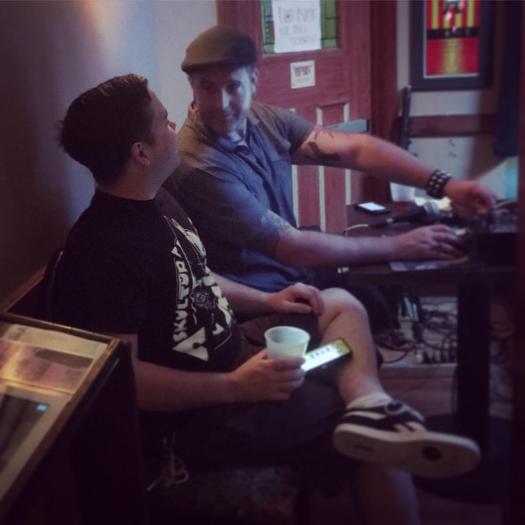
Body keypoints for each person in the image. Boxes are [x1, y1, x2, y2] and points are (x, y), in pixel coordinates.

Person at [53, 74, 480, 525]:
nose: (175, 125)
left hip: (239, 352)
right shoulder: (100, 252)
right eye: (164, 121)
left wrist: (270, 300)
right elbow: (125, 381)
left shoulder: (156, 202)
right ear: (141, 153)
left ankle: (370, 403)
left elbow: (196, 275)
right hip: (201, 418)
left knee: (336, 302)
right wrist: (236, 386)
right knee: (367, 439)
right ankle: (367, 421)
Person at [165, 25, 494, 303]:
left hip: (291, 277)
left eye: (232, 87)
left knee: (373, 301)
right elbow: (291, 247)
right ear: (192, 87)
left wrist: (446, 184)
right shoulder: (196, 164)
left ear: (253, 80)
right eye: (207, 88)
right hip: (258, 301)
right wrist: (398, 246)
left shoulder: (262, 120)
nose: (221, 103)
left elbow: (354, 149)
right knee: (357, 305)